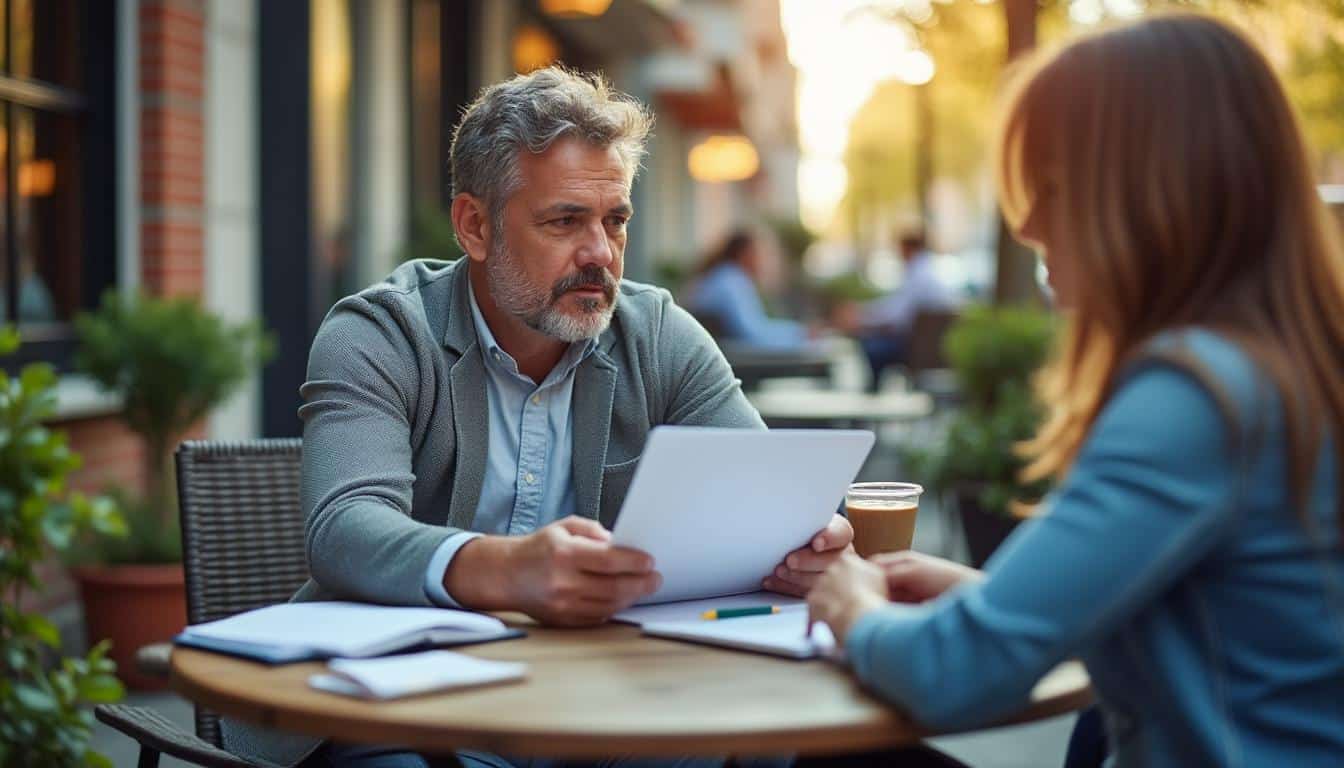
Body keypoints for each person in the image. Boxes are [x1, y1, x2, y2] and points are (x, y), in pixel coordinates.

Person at [223, 67, 854, 768]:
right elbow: (344, 531)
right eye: (565, 221)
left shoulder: (659, 335)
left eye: (614, 221)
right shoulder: (381, 333)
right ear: (474, 226)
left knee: (748, 741)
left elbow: (760, 492)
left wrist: (802, 538)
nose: (600, 255)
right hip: (411, 708)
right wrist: (508, 571)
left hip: (609, 699)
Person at [807, 13, 1344, 767]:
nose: (1028, 224)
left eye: (1052, 186)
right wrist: (982, 598)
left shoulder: (1195, 399)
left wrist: (851, 607)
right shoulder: (1288, 364)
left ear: (1151, 194)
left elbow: (952, 676)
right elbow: (1214, 620)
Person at [833, 230, 954, 392]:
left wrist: (862, 317)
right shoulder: (924, 272)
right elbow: (894, 306)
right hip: (919, 344)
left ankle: (872, 395)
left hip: (911, 346)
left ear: (908, 248)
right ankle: (872, 393)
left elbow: (896, 316)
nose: (899, 254)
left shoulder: (919, 276)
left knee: (870, 346)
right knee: (870, 342)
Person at [682, 230, 810, 350]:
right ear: (744, 254)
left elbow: (756, 326)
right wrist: (800, 334)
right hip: (735, 360)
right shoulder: (731, 280)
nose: (762, 260)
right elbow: (751, 333)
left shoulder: (725, 275)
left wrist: (799, 332)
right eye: (758, 253)